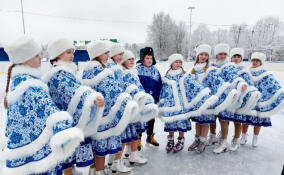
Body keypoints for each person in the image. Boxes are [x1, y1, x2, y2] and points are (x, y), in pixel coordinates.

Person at [2, 36, 83, 175]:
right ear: (24, 59)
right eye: (36, 55)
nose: (40, 58)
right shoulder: (30, 86)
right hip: (35, 149)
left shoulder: (20, 81)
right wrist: (65, 130)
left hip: (23, 146)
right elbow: (47, 110)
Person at [136, 47, 161, 149]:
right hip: (141, 100)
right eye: (147, 58)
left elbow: (159, 84)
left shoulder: (155, 70)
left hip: (152, 99)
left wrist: (158, 97)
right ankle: (138, 139)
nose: (150, 60)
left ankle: (150, 137)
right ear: (142, 59)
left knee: (151, 119)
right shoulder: (137, 70)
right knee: (140, 120)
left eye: (151, 58)